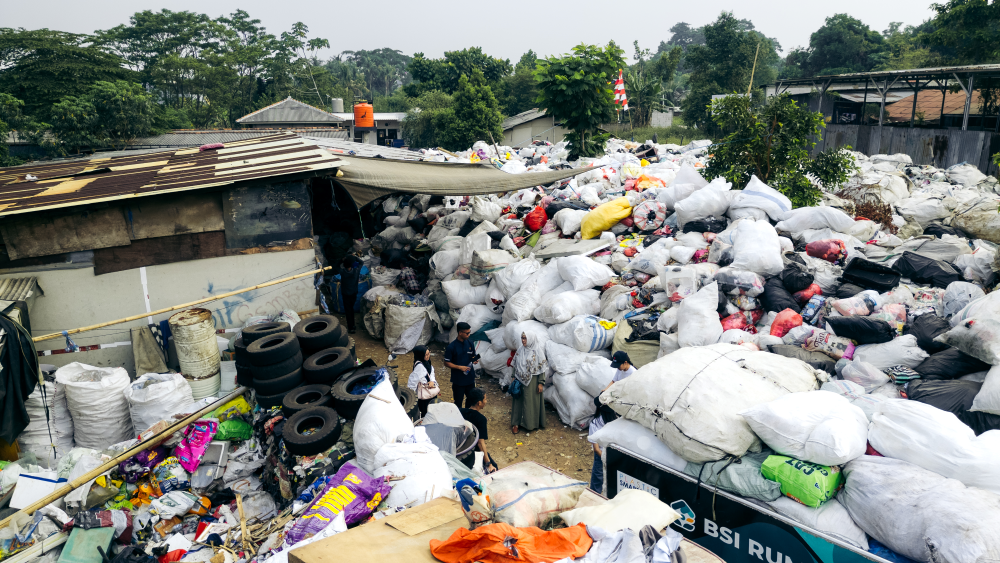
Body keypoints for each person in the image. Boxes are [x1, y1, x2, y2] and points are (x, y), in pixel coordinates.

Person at [588, 351, 636, 493]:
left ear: (625, 363)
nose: (618, 368)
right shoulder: (601, 423)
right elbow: (613, 381)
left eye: (619, 365)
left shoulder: (634, 374)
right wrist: (606, 391)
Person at [510, 332, 547, 434]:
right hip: (519, 380)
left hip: (533, 381)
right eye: (522, 338)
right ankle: (516, 423)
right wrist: (513, 376)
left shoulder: (538, 352)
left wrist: (541, 382)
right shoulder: (520, 350)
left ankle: (530, 424)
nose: (523, 340)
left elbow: (542, 368)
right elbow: (516, 365)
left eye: (525, 338)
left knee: (531, 402)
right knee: (518, 401)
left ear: (531, 339)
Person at [460, 388, 497, 474]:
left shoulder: (460, 411)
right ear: (479, 403)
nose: (486, 401)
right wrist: (488, 463)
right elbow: (480, 443)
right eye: (485, 399)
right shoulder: (481, 419)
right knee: (494, 469)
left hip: (459, 448)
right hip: (471, 452)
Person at [444, 322, 478, 409]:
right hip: (458, 380)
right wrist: (459, 367)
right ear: (460, 333)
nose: (469, 335)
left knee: (471, 400)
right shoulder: (451, 347)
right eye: (467, 333)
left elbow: (472, 355)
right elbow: (446, 363)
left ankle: (467, 417)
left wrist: (474, 360)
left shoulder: (470, 343)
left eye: (469, 332)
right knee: (458, 402)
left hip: (470, 379)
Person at [407, 345, 437, 418]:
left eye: (428, 353)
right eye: (425, 355)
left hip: (430, 390)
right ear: (420, 355)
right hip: (425, 395)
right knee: (426, 413)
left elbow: (431, 373)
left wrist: (432, 381)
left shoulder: (427, 362)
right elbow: (413, 381)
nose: (428, 356)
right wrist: (411, 396)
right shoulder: (419, 366)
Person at [339, 255, 361, 334]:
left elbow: (337, 265)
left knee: (348, 311)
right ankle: (353, 325)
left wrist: (343, 259)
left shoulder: (342, 272)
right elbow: (361, 262)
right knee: (351, 309)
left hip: (345, 294)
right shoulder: (356, 271)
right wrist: (354, 257)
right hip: (354, 293)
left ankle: (351, 327)